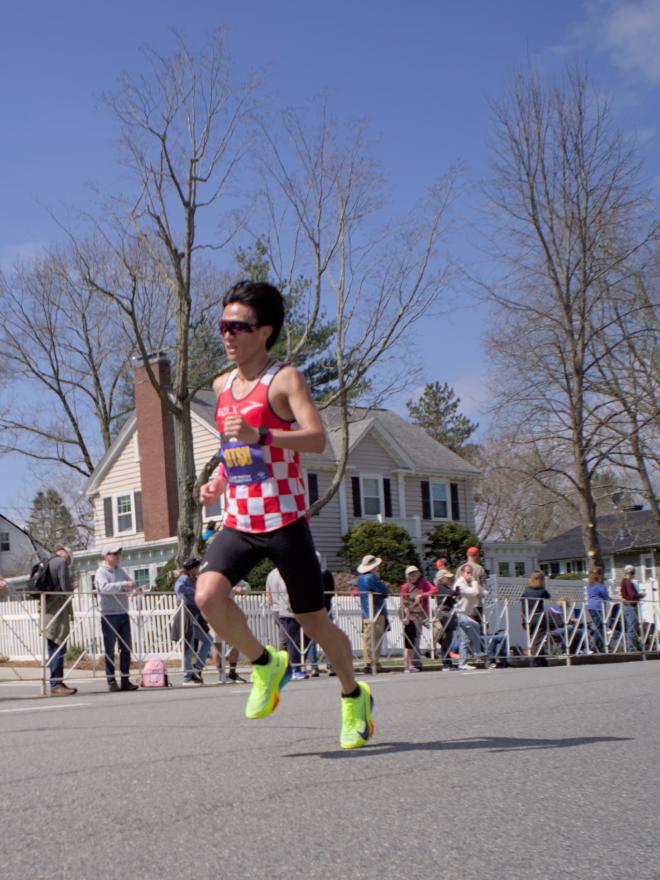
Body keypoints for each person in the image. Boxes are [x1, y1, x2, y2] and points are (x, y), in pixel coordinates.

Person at [196, 280, 373, 750]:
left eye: (239, 327)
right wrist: (220, 480)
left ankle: (354, 696)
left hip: (285, 518)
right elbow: (233, 442)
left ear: (265, 331)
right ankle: (265, 664)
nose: (228, 335)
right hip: (239, 518)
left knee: (312, 621)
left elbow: (317, 439)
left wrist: (263, 437)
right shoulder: (221, 386)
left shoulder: (284, 379)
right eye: (223, 326)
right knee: (207, 596)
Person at [95, 546, 139, 692]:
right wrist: (124, 585)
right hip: (109, 614)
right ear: (106, 556)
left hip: (123, 612)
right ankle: (111, 681)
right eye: (114, 554)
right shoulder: (101, 572)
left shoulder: (121, 570)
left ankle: (125, 679)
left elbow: (129, 584)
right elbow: (104, 588)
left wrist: (131, 586)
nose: (117, 556)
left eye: (118, 554)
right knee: (110, 649)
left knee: (126, 648)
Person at [44, 545, 78, 697]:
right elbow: (65, 589)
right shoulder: (61, 563)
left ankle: (57, 681)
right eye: (69, 559)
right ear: (65, 554)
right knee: (58, 646)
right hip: (58, 609)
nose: (68, 562)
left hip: (47, 610)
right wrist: (71, 583)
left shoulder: (47, 562)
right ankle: (56, 683)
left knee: (53, 646)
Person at [175, 557, 213, 686]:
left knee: (208, 640)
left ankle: (197, 667)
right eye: (196, 567)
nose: (198, 570)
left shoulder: (194, 579)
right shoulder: (184, 578)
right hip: (186, 613)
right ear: (192, 569)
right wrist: (194, 591)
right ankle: (187, 677)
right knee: (188, 645)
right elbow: (178, 588)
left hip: (195, 614)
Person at [266, 567, 307, 680]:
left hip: (276, 608)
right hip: (287, 610)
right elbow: (287, 591)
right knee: (293, 641)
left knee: (284, 640)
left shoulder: (271, 574)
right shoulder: (286, 572)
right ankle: (294, 669)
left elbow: (268, 593)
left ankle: (284, 668)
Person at [356, 555, 390, 674]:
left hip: (366, 612)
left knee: (368, 639)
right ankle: (372, 663)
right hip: (375, 611)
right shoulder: (371, 577)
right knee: (375, 639)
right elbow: (385, 591)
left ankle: (369, 662)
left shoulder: (360, 579)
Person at [399, 565, 436, 672]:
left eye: (415, 572)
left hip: (424, 613)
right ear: (408, 576)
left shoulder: (424, 583)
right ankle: (415, 662)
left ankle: (429, 649)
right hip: (413, 613)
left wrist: (423, 595)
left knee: (438, 627)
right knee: (415, 638)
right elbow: (403, 601)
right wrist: (407, 614)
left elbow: (434, 590)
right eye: (411, 573)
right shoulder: (405, 586)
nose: (413, 575)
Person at [212, 580, 250, 683]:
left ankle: (232, 672)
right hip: (214, 612)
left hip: (229, 613)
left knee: (236, 642)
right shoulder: (210, 573)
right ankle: (221, 673)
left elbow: (246, 587)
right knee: (217, 643)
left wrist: (240, 589)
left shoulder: (230, 575)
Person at [454, 563, 489, 671]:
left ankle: (462, 663)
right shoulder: (459, 584)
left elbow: (485, 592)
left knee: (465, 639)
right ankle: (477, 652)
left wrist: (479, 593)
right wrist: (475, 585)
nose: (470, 574)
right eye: (467, 572)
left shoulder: (471, 583)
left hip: (467, 613)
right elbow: (473, 592)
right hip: (458, 613)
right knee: (476, 625)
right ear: (462, 573)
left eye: (471, 572)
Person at [521, 570, 551, 667]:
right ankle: (535, 660)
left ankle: (542, 660)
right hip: (538, 616)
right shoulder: (541, 591)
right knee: (539, 639)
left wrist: (523, 619)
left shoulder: (526, 591)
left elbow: (522, 604)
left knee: (532, 639)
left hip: (528, 616)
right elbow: (548, 596)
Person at [432, 567, 458, 669]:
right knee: (443, 637)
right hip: (442, 612)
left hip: (449, 613)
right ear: (441, 578)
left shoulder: (446, 587)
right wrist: (455, 591)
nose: (449, 579)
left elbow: (453, 599)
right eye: (447, 577)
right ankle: (434, 652)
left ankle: (447, 662)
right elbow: (450, 594)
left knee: (447, 639)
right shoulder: (440, 586)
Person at [619, 565, 645, 649]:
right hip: (630, 606)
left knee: (630, 628)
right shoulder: (628, 582)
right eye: (633, 573)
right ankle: (631, 648)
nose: (633, 576)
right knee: (632, 629)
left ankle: (631, 647)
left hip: (626, 606)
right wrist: (640, 595)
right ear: (631, 573)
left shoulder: (623, 581)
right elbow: (632, 595)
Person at [586, 566, 610, 653]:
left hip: (590, 606)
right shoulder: (600, 586)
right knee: (599, 627)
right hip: (598, 607)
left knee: (596, 626)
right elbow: (606, 597)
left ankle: (598, 646)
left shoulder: (589, 586)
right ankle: (595, 646)